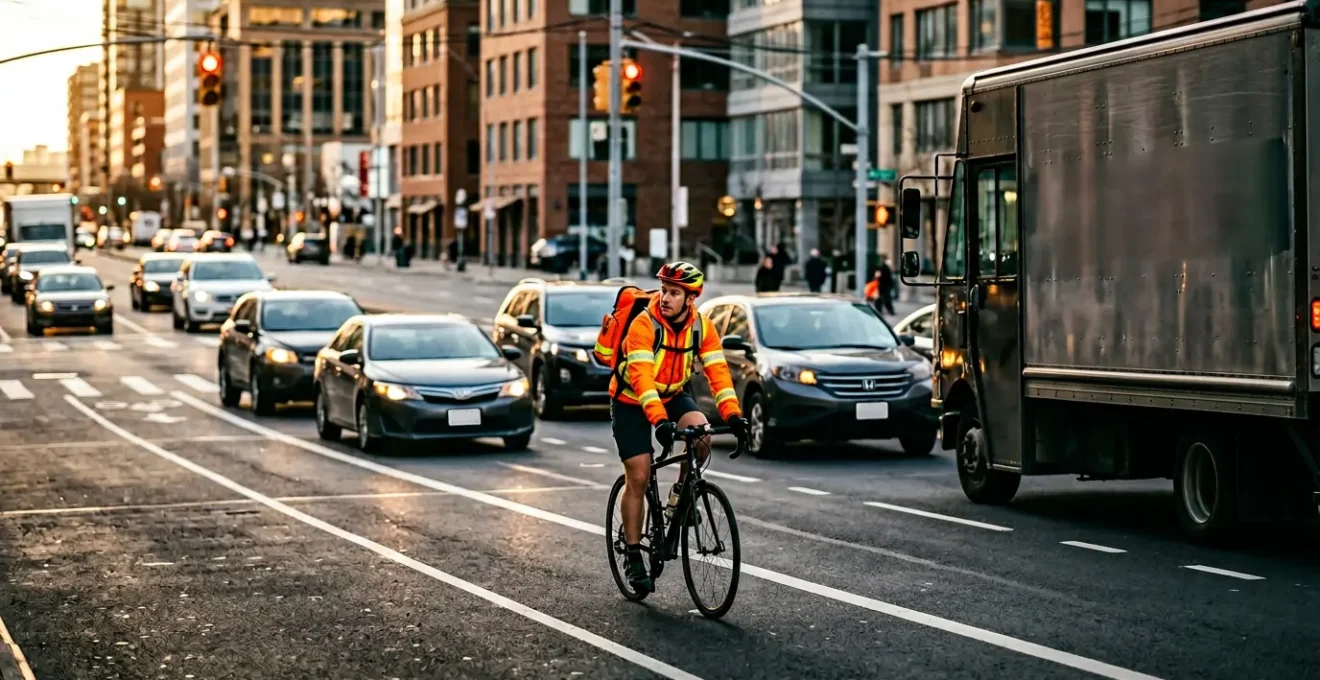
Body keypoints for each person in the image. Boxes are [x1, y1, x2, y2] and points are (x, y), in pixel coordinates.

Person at [611, 261, 748, 594]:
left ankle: (679, 499)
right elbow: (642, 381)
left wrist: (733, 416)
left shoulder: (702, 327)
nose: (665, 298)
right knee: (640, 476)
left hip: (672, 394)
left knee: (701, 433)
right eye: (664, 290)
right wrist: (658, 421)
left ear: (691, 298)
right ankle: (632, 552)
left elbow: (719, 375)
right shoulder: (644, 325)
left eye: (674, 293)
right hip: (632, 401)